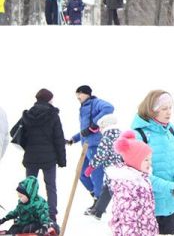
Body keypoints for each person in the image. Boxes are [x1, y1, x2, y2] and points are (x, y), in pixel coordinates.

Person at [130, 90, 174, 235]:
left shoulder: (173, 132)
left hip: (171, 204)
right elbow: (139, 176)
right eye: (164, 108)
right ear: (152, 110)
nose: (169, 112)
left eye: (170, 107)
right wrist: (171, 188)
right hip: (149, 207)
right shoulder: (139, 135)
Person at [10, 89, 66, 224]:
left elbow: (13, 132)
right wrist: (62, 160)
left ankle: (28, 215)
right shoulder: (53, 115)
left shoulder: (28, 115)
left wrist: (27, 144)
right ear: (49, 100)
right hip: (49, 159)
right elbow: (59, 139)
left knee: (29, 187)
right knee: (51, 187)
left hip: (31, 158)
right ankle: (51, 216)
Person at [66, 85, 115, 214]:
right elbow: (85, 130)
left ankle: (99, 205)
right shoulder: (83, 107)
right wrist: (74, 139)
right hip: (86, 146)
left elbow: (109, 107)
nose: (77, 97)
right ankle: (96, 197)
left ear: (86, 93)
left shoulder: (95, 103)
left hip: (96, 145)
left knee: (96, 174)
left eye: (79, 94)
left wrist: (95, 123)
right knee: (81, 174)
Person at [106, 130, 158, 236]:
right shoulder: (127, 186)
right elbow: (127, 220)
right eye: (146, 160)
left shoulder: (141, 179)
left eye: (150, 159)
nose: (150, 163)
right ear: (135, 160)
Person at [86, 114, 123, 220]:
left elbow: (101, 155)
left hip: (112, 170)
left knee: (111, 190)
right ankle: (98, 211)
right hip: (124, 169)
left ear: (105, 126)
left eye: (101, 127)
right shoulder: (121, 135)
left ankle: (118, 215)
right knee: (109, 189)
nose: (100, 130)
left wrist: (91, 167)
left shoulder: (106, 138)